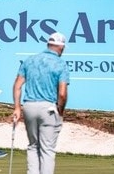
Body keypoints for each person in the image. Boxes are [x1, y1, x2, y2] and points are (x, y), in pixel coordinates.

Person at [12, 32, 70, 174]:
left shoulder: (30, 60)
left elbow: (17, 86)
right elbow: (62, 93)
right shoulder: (61, 64)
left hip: (29, 106)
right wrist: (61, 110)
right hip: (49, 107)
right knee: (47, 149)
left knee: (33, 146)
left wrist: (17, 108)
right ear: (61, 47)